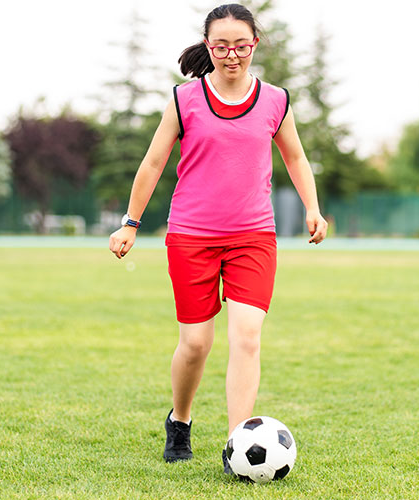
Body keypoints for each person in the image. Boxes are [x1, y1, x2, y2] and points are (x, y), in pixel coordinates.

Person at [108, 3, 327, 475]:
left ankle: (236, 446)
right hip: (191, 236)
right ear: (208, 46)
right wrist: (131, 222)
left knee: (247, 337)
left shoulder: (275, 100)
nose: (232, 55)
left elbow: (297, 159)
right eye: (222, 45)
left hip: (253, 237)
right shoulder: (184, 99)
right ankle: (180, 420)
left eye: (241, 45)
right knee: (196, 344)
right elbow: (152, 163)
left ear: (255, 45)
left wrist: (312, 207)